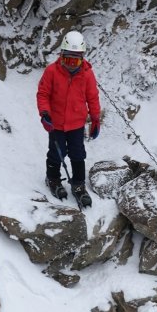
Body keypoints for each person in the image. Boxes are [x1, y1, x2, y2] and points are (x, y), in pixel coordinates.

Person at [36, 30, 101, 208]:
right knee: (57, 153)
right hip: (55, 123)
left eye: (76, 61)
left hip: (76, 124)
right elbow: (43, 94)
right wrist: (45, 114)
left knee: (78, 154)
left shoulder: (87, 74)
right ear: (62, 55)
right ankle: (53, 179)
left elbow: (93, 97)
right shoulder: (52, 71)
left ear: (82, 58)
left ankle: (78, 185)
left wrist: (95, 119)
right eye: (68, 60)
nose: (71, 65)